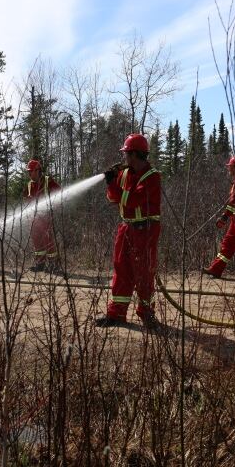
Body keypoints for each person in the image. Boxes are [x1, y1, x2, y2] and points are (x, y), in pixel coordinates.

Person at [96, 134, 161, 329]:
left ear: (135, 154)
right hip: (126, 227)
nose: (124, 157)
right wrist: (112, 182)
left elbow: (132, 200)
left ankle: (146, 314)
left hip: (145, 228)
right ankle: (116, 314)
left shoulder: (152, 177)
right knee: (121, 268)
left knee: (143, 272)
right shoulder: (124, 173)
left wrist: (114, 187)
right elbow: (113, 198)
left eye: (126, 153)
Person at [24, 159, 61, 273]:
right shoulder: (29, 184)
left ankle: (53, 265)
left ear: (38, 171)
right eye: (28, 172)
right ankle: (40, 263)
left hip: (45, 216)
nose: (29, 174)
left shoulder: (47, 181)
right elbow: (25, 199)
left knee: (48, 240)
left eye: (31, 171)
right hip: (33, 218)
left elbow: (59, 193)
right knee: (37, 241)